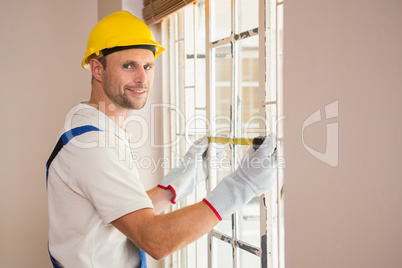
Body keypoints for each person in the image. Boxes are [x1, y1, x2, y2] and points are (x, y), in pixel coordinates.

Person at [46, 10, 277, 268]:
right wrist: (240, 186)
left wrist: (176, 185)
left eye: (148, 66)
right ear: (97, 69)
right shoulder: (90, 146)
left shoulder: (95, 128)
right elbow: (154, 239)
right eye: (128, 65)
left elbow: (119, 213)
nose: (142, 78)